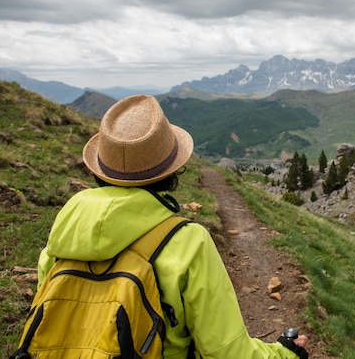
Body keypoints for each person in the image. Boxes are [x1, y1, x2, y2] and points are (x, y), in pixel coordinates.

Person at [37, 94, 309, 358]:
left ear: (101, 169)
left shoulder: (65, 232)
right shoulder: (189, 241)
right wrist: (286, 352)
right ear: (170, 171)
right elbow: (224, 351)